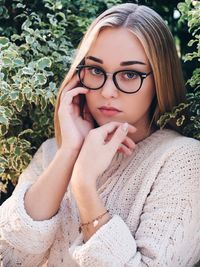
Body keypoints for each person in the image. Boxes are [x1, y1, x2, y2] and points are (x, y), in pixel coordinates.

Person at [1, 3, 200, 267]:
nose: (107, 91)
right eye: (95, 70)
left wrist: (84, 185)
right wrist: (69, 152)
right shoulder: (52, 152)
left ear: (160, 79)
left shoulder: (183, 160)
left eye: (129, 74)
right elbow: (9, 258)